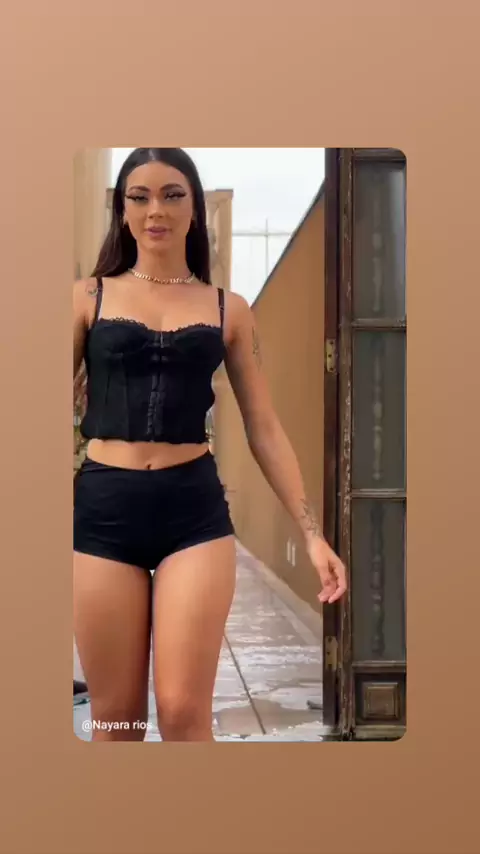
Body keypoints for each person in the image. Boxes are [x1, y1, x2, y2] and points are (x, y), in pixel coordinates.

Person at [73, 147, 347, 743]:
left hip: (191, 511)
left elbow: (263, 426)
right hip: (103, 510)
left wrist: (311, 533)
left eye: (172, 195)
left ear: (194, 208)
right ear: (123, 211)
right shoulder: (87, 298)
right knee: (116, 718)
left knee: (182, 711)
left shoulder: (229, 310)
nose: (156, 210)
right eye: (139, 197)